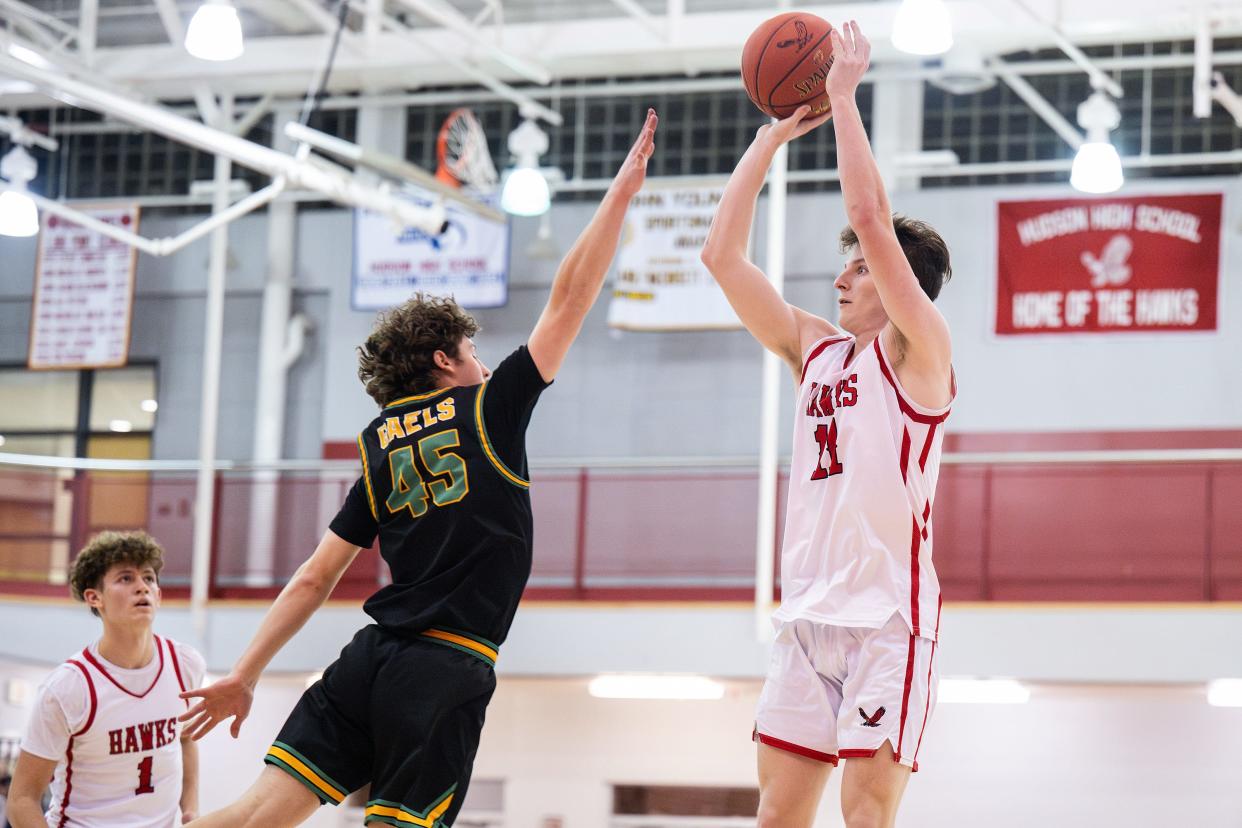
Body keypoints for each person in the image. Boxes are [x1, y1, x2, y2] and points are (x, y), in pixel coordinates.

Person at [177, 108, 659, 828]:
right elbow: (569, 298)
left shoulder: (375, 444)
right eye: (471, 350)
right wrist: (620, 195)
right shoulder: (489, 409)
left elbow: (315, 576)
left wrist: (243, 674)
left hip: (366, 658)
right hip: (445, 666)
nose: (485, 362)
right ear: (444, 361)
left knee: (250, 816)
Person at [701, 22, 954, 828]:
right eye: (843, 263)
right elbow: (722, 259)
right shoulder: (815, 349)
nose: (842, 274)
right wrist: (768, 142)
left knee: (865, 815)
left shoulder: (921, 355)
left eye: (858, 267)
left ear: (895, 281)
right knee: (777, 817)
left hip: (888, 619)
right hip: (807, 616)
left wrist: (842, 98)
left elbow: (873, 219)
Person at [8, 531, 205, 828]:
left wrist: (190, 810)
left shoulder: (186, 664)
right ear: (94, 597)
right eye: (126, 579)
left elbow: (186, 739)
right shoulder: (68, 687)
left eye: (149, 578)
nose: (142, 588)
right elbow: (21, 800)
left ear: (160, 595)